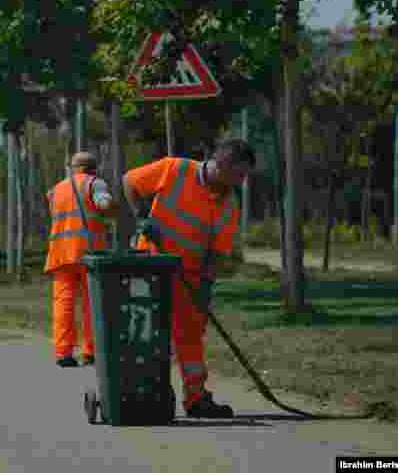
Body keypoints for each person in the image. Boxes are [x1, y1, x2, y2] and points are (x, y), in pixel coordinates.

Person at [121, 138, 254, 418]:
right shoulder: (176, 169)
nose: (241, 182)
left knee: (191, 336)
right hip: (152, 266)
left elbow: (216, 254)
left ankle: (196, 398)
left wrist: (205, 289)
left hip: (189, 277)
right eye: (239, 175)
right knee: (147, 332)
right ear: (223, 165)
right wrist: (142, 217)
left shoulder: (228, 203)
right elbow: (130, 182)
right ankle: (145, 391)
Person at [44, 151, 120, 367]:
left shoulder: (56, 190)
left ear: (72, 168)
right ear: (93, 168)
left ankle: (63, 353)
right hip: (89, 255)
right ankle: (90, 352)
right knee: (92, 304)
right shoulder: (95, 183)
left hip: (60, 254)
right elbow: (103, 203)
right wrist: (114, 209)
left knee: (63, 305)